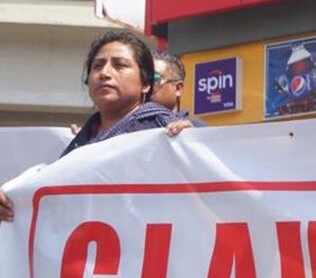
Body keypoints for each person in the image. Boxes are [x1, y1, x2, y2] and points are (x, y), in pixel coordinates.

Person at [0, 31, 191, 222]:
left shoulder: (167, 130)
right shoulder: (76, 144)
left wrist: (193, 148)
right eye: (97, 66)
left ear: (146, 84)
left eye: (120, 65)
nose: (105, 73)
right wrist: (13, 202)